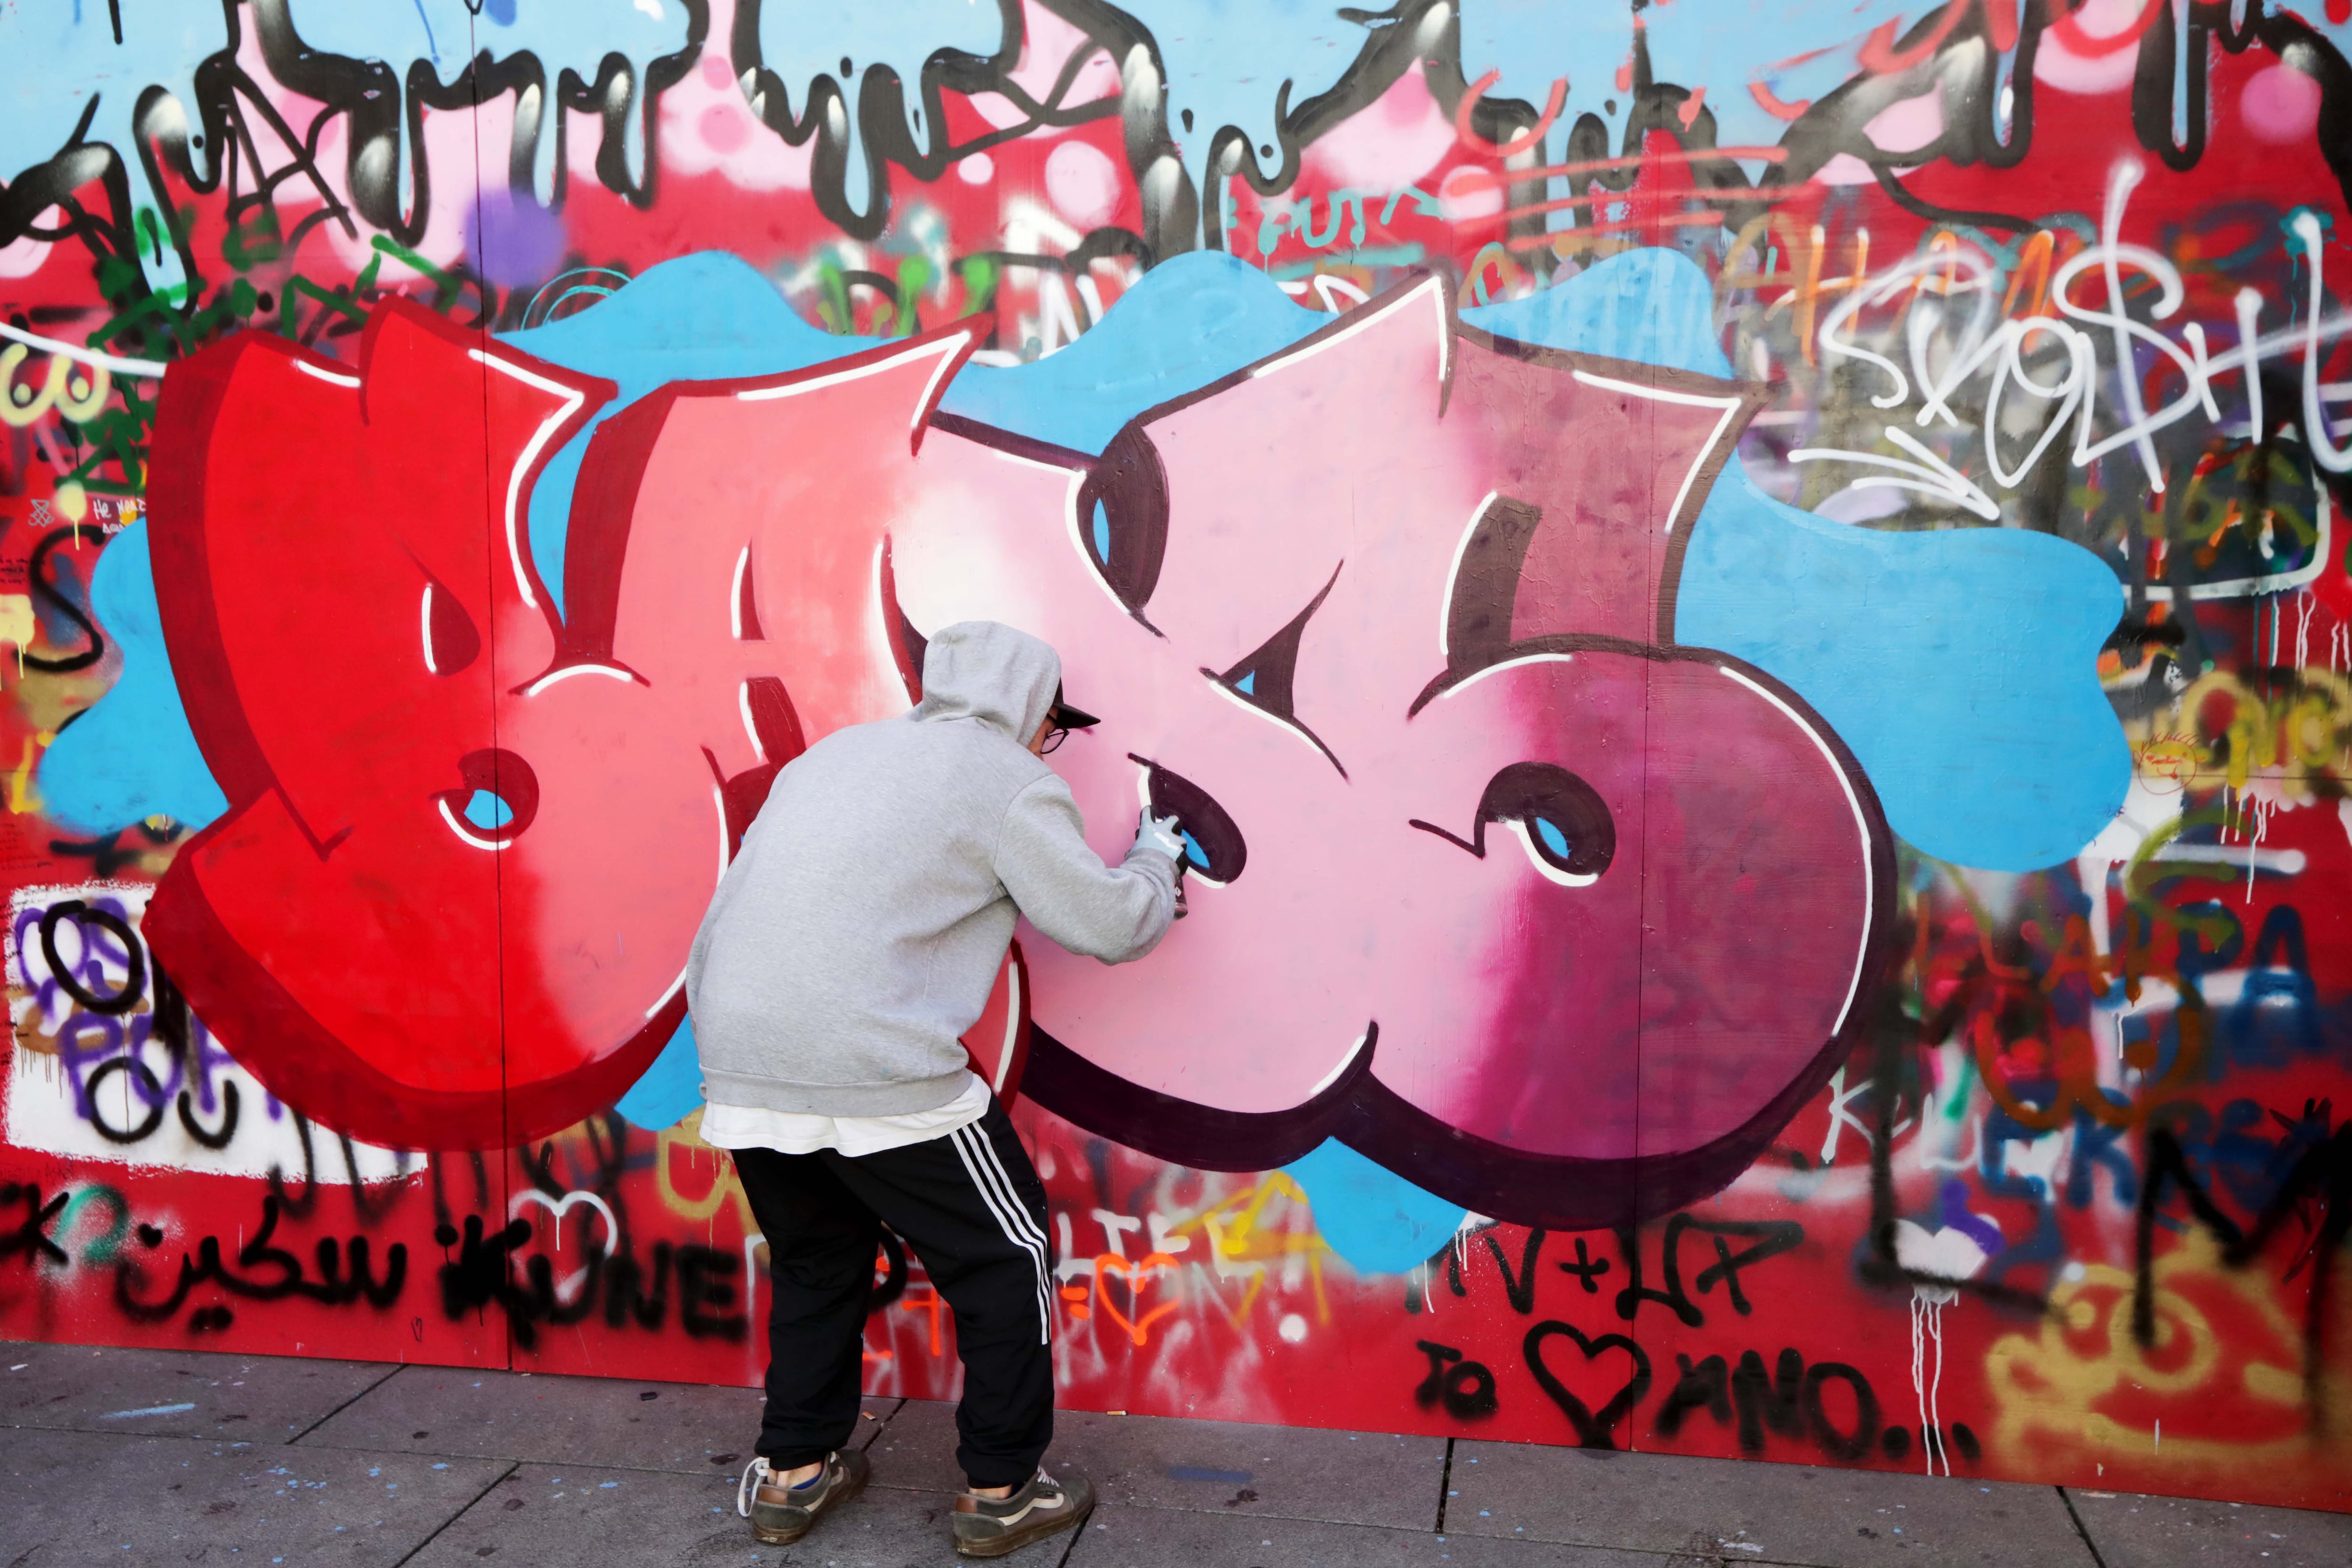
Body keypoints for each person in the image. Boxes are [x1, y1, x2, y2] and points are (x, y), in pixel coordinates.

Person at [684, 620, 1185, 1559]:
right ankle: (1003, 1488)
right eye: (1053, 724)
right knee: (1007, 1258)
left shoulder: (832, 757)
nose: (1047, 741)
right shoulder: (1007, 778)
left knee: (816, 1260)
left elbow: (726, 910)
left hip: (742, 1057)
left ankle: (794, 1471)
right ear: (1030, 708)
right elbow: (1112, 924)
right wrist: (1159, 857)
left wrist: (736, 1056)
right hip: (875, 1061)